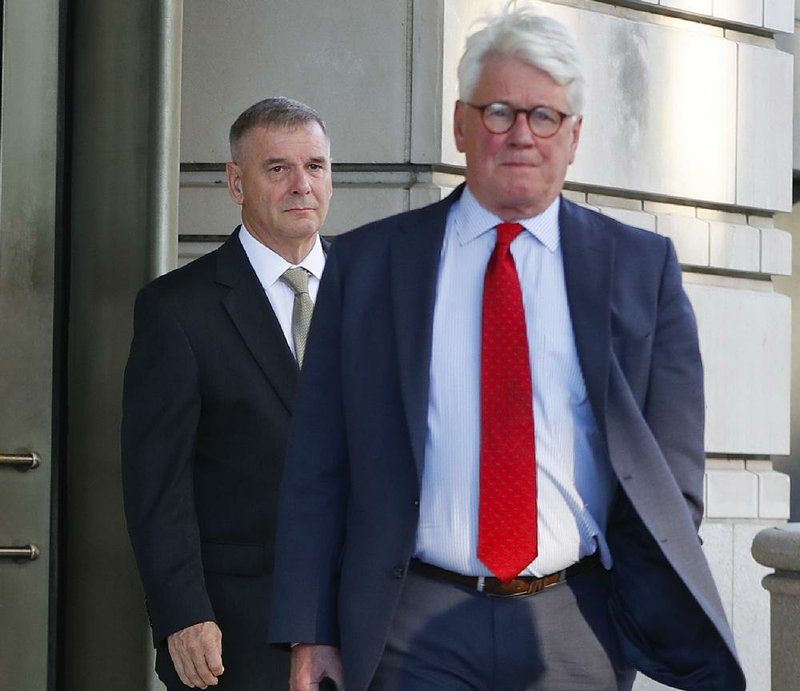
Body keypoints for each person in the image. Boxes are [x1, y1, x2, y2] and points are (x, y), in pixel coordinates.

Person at [269, 6, 746, 691]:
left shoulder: (642, 268)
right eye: (499, 112)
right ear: (461, 124)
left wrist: (632, 603)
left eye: (545, 116)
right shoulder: (370, 267)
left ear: (574, 135)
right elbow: (318, 460)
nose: (522, 135)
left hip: (576, 620)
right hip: (413, 623)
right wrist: (310, 627)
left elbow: (672, 474)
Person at [121, 96, 332, 689]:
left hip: (371, 625)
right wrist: (183, 614)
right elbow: (157, 485)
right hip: (241, 632)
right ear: (236, 183)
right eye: (277, 169)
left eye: (315, 166)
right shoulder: (177, 310)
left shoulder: (376, 295)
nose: (301, 185)